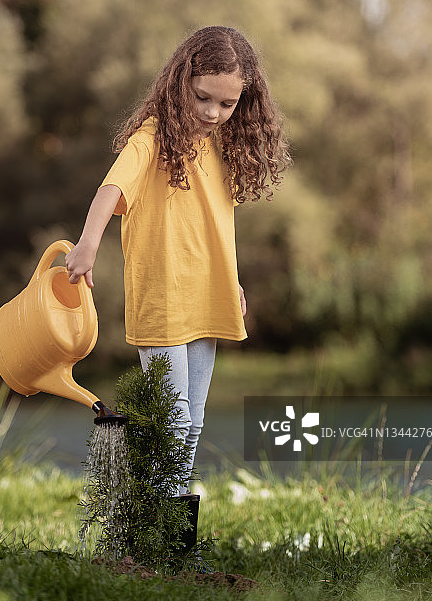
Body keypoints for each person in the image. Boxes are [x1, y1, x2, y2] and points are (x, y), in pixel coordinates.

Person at [66, 25, 290, 494]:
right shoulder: (151, 138)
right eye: (203, 97)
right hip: (162, 295)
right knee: (172, 419)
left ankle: (172, 529)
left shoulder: (226, 143)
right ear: (180, 82)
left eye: (227, 104)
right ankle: (155, 523)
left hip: (209, 294)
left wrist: (233, 279)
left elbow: (211, 224)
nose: (213, 113)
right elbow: (111, 188)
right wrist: (88, 244)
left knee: (191, 422)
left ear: (244, 101)